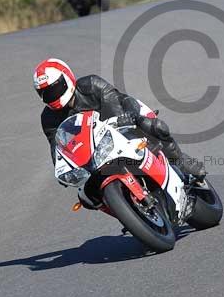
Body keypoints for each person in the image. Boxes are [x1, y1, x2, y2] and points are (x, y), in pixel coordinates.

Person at [33, 58, 207, 208]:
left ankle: (181, 162)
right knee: (87, 196)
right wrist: (61, 169)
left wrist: (123, 120)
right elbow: (57, 147)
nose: (52, 96)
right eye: (45, 93)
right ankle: (127, 207)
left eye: (54, 89)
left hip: (125, 116)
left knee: (155, 127)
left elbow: (113, 102)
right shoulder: (48, 118)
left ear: (67, 78)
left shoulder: (90, 84)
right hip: (95, 147)